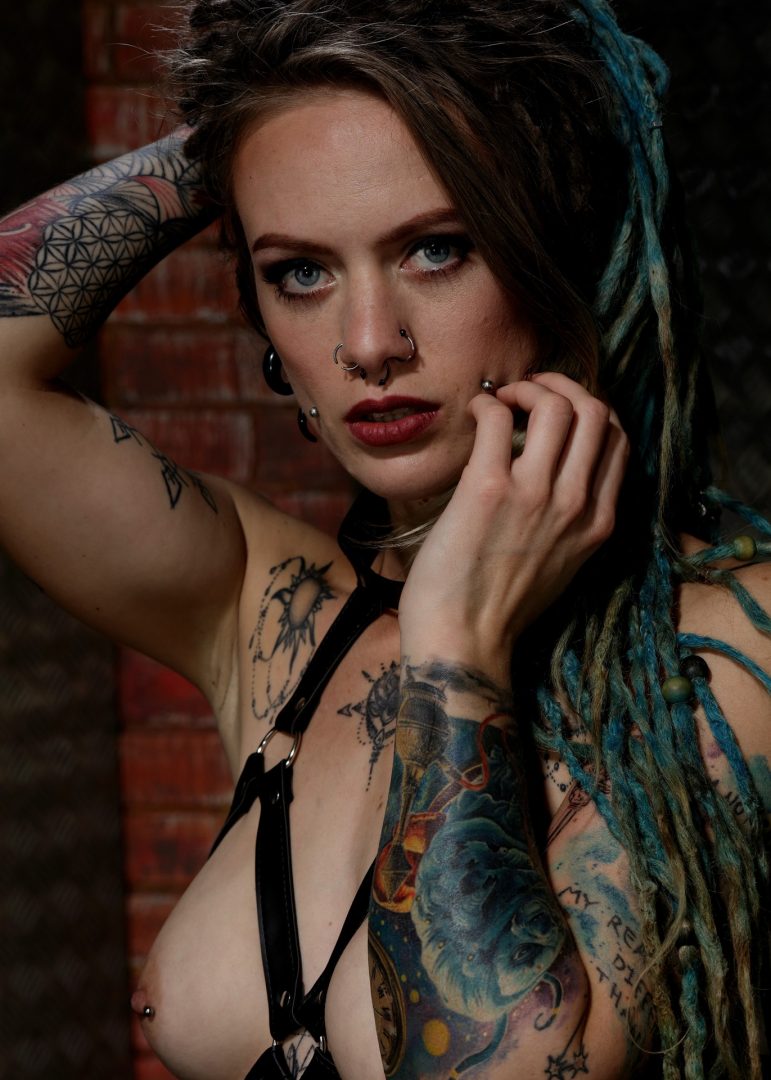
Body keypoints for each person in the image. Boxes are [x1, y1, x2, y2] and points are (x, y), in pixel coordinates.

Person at [0, 0, 769, 1077]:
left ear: (556, 254)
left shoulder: (728, 649)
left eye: (436, 250)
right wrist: (249, 127)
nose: (367, 344)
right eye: (299, 271)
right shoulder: (271, 609)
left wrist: (456, 643)